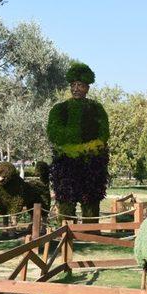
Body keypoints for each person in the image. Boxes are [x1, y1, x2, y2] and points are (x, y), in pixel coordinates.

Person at [47, 62, 110, 223]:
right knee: (66, 199)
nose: (76, 88)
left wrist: (91, 147)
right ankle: (65, 231)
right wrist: (76, 140)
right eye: (73, 85)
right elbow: (54, 133)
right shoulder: (59, 109)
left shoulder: (97, 109)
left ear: (87, 88)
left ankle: (91, 232)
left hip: (91, 162)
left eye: (80, 85)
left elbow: (104, 134)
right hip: (66, 163)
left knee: (91, 199)